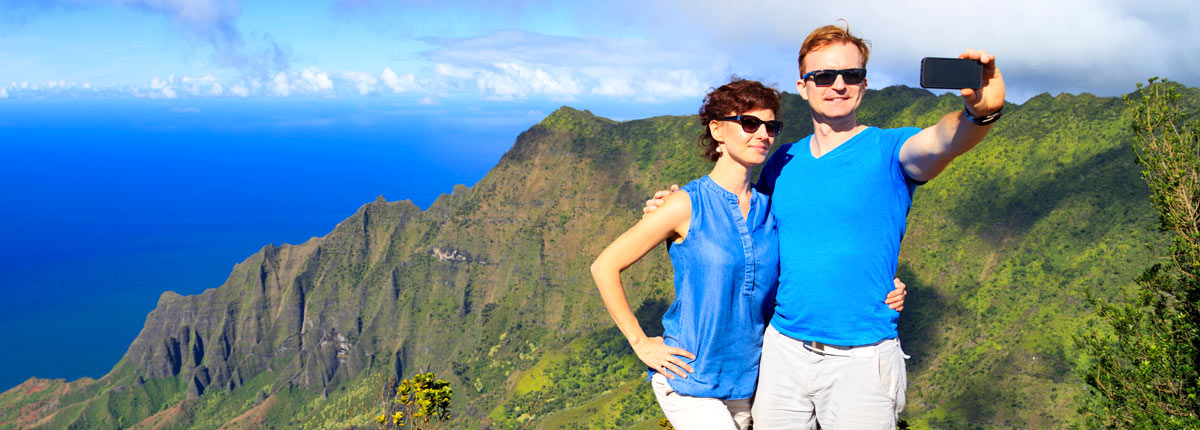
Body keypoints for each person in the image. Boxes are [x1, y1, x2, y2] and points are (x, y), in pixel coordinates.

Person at [644, 22, 1005, 429]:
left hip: (863, 359)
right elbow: (740, 222)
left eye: (851, 75)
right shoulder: (781, 163)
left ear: (864, 85)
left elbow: (943, 140)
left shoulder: (889, 150)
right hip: (783, 353)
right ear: (803, 86)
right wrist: (672, 208)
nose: (838, 85)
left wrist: (982, 112)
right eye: (823, 76)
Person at [592, 78, 908, 430]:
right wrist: (640, 342)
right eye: (748, 123)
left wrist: (884, 285)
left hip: (750, 384)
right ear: (717, 130)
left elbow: (817, 258)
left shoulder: (769, 208)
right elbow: (605, 265)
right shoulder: (686, 205)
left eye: (770, 126)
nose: (762, 134)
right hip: (689, 378)